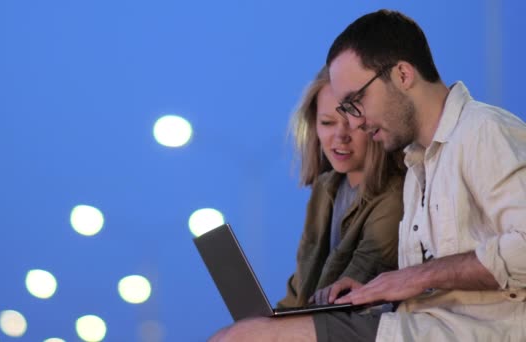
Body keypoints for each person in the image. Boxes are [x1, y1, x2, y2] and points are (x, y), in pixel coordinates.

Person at [210, 9, 526, 342]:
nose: (356, 122)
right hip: (418, 325)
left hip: (477, 332)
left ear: (403, 75)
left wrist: (414, 277)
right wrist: (379, 290)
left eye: (356, 101)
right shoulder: (420, 164)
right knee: (245, 333)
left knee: (245, 338)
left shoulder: (483, 131)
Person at [277, 65, 405, 309]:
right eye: (327, 122)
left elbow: (350, 293)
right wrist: (267, 321)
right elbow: (299, 290)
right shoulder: (324, 190)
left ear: (373, 124)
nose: (340, 135)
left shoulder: (395, 196)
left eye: (351, 123)